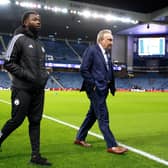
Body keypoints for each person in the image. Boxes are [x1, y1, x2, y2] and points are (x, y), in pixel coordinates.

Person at [0, 11, 52, 165]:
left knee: (35, 121)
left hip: (38, 90)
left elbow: (42, 67)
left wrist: (44, 77)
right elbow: (8, 63)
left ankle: (35, 156)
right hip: (22, 88)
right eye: (34, 19)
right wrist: (28, 76)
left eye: (39, 19)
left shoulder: (40, 44)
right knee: (16, 120)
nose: (38, 21)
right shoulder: (18, 39)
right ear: (25, 23)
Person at [74, 29, 128, 154]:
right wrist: (93, 84)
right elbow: (83, 69)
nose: (112, 42)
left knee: (92, 115)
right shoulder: (92, 50)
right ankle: (112, 145)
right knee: (103, 116)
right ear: (101, 40)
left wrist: (111, 86)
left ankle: (79, 138)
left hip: (104, 89)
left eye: (112, 40)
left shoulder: (106, 53)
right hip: (95, 90)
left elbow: (107, 71)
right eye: (109, 40)